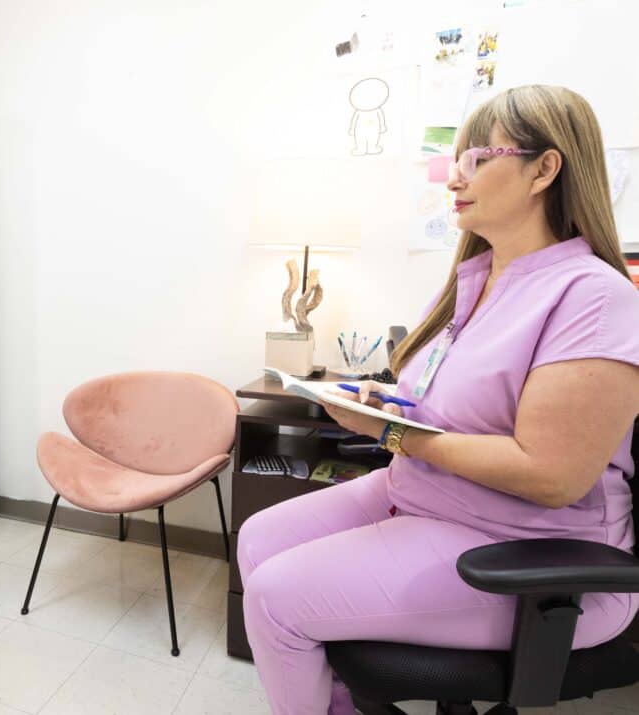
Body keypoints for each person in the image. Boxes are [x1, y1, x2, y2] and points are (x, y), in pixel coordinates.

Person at [239, 85, 639, 715]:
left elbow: (552, 474)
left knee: (272, 596)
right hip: (424, 496)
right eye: (453, 160)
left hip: (524, 547)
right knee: (259, 538)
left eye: (478, 157)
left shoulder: (593, 297)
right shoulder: (476, 277)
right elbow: (449, 403)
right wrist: (389, 402)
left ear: (544, 168)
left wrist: (396, 435)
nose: (454, 176)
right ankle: (335, 697)